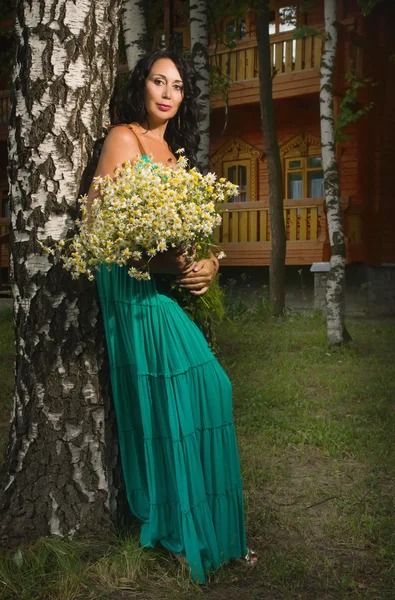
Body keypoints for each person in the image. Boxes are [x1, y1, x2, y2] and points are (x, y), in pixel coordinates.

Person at [88, 50, 256, 583]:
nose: (167, 92)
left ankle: (216, 533)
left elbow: (188, 237)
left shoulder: (174, 154)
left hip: (164, 288)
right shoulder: (124, 138)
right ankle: (182, 531)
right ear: (142, 86)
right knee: (196, 393)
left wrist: (205, 264)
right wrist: (165, 261)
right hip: (132, 292)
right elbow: (97, 227)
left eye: (178, 86)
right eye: (158, 81)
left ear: (184, 98)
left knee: (210, 391)